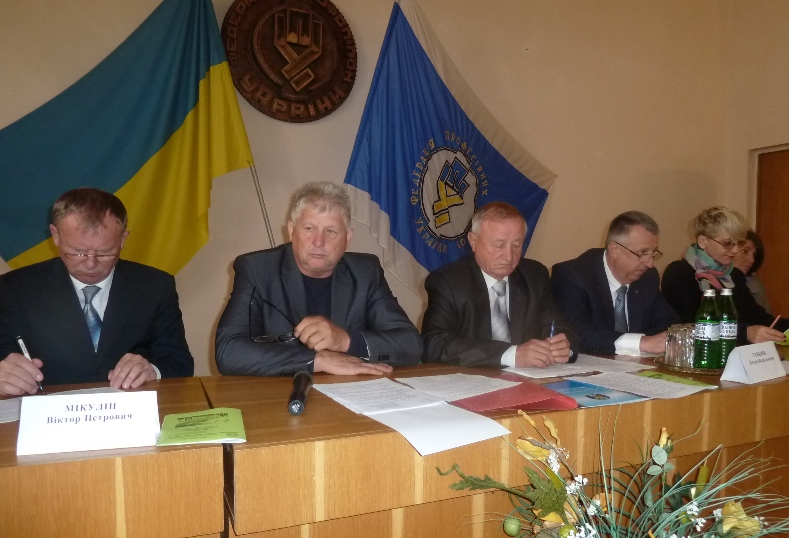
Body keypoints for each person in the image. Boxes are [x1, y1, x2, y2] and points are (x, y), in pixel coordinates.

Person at [215, 181, 422, 377]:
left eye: (331, 231)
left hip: (350, 392)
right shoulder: (256, 270)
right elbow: (228, 351)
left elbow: (411, 345)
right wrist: (316, 360)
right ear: (291, 231)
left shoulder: (366, 273)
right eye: (309, 229)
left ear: (348, 238)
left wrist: (345, 340)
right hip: (280, 394)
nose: (319, 242)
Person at [0, 188, 193, 395]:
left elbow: (179, 362)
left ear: (122, 239)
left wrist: (152, 371)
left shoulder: (155, 286)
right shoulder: (15, 288)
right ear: (55, 235)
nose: (90, 264)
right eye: (77, 252)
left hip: (129, 407)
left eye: (105, 253)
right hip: (47, 409)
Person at [421, 202, 578, 368]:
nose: (509, 256)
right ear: (473, 241)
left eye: (516, 245)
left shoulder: (535, 276)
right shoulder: (447, 282)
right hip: (473, 379)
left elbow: (558, 326)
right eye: (499, 245)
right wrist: (511, 355)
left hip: (530, 379)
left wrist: (563, 347)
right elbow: (433, 344)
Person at [551, 211, 679, 355]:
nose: (650, 263)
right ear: (614, 250)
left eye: (653, 253)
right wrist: (642, 343)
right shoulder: (572, 275)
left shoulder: (647, 277)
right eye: (642, 253)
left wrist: (643, 343)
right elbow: (577, 333)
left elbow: (670, 324)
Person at [661, 206, 789, 344]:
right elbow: (689, 327)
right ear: (703, 241)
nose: (735, 250)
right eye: (727, 243)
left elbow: (759, 318)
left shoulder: (734, 275)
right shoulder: (678, 273)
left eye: (738, 243)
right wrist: (745, 333)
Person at [733, 230, 772, 313]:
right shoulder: (710, 280)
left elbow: (765, 317)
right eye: (745, 251)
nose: (752, 260)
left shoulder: (754, 283)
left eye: (754, 255)